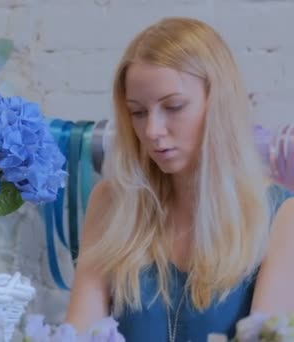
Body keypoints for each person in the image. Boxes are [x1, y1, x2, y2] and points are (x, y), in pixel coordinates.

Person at [65, 17, 294, 341]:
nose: (152, 131)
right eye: (138, 112)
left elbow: (268, 336)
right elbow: (77, 333)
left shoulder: (279, 217)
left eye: (173, 107)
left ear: (218, 105)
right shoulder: (111, 203)